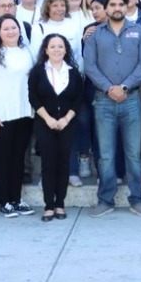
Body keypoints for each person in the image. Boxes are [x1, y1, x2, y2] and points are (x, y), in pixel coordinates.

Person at [82, 0, 141, 217]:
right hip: (103, 101)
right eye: (112, 4)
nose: (117, 8)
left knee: (133, 154)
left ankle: (137, 199)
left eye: (120, 4)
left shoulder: (139, 31)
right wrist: (108, 88)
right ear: (106, 8)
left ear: (126, 5)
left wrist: (124, 87)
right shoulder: (95, 35)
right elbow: (89, 66)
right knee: (106, 155)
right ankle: (105, 200)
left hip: (131, 100)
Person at [0, 15, 35, 218]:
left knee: (18, 158)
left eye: (14, 27)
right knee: (2, 158)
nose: (11, 31)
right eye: (6, 28)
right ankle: (4, 201)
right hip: (1, 115)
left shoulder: (26, 52)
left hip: (24, 114)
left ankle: (16, 199)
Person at [29, 32, 85, 221]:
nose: (56, 50)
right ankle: (49, 206)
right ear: (46, 50)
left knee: (63, 164)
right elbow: (33, 97)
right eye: (52, 46)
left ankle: (60, 204)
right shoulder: (37, 71)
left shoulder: (73, 72)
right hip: (44, 123)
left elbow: (78, 99)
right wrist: (48, 119)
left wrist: (66, 119)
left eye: (60, 46)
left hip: (67, 124)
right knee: (48, 164)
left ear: (66, 50)